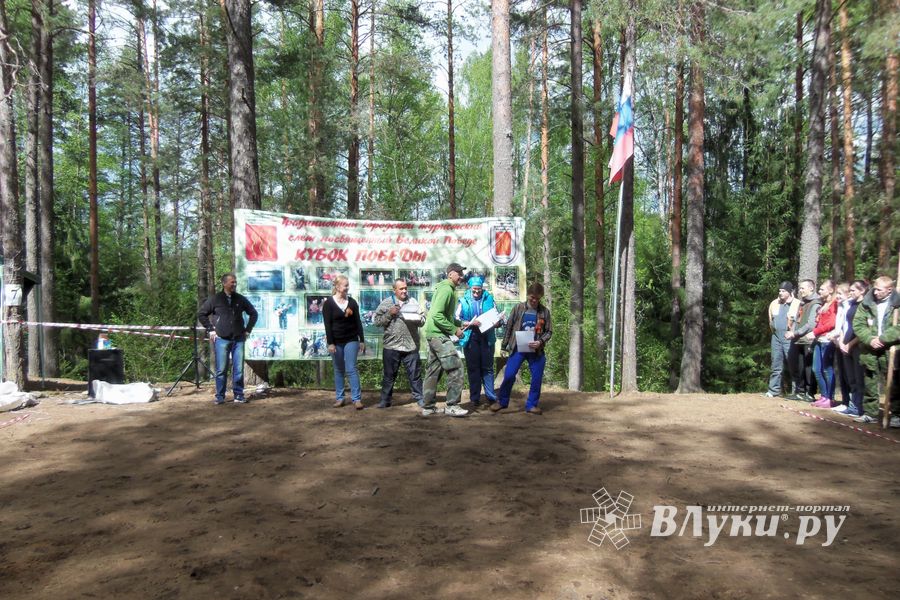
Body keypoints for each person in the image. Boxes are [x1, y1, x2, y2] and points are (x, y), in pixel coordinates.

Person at [198, 273, 258, 405]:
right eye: (232, 282)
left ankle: (239, 395)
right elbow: (201, 314)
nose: (234, 285)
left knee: (239, 369)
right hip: (222, 339)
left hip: (238, 339)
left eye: (235, 282)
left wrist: (248, 330)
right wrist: (211, 329)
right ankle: (220, 396)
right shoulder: (216, 299)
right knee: (221, 370)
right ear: (224, 283)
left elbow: (254, 313)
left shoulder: (240, 299)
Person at [493, 282, 552, 415]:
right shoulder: (518, 308)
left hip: (536, 351)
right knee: (508, 375)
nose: (534, 300)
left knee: (536, 378)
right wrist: (504, 346)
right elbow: (509, 327)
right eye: (532, 297)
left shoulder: (544, 312)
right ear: (528, 295)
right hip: (517, 348)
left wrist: (540, 341)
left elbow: (549, 331)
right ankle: (502, 402)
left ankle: (531, 405)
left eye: (537, 298)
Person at [421, 263, 469, 417]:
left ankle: (428, 407)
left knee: (433, 371)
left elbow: (444, 316)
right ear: (450, 274)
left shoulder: (445, 288)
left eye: (462, 273)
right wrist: (454, 330)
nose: (461, 276)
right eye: (459, 273)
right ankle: (452, 405)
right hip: (438, 335)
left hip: (433, 334)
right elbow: (436, 315)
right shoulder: (447, 289)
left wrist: (460, 324)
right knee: (456, 367)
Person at [852, 275, 900, 426]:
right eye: (875, 288)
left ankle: (897, 415)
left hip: (891, 348)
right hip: (870, 348)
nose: (875, 292)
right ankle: (870, 413)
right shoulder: (867, 303)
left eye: (879, 290)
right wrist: (870, 339)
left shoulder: (897, 305)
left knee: (894, 382)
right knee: (870, 381)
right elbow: (858, 324)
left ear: (889, 290)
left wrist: (884, 338)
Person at [373, 278, 425, 408]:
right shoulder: (387, 303)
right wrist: (390, 313)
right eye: (401, 288)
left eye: (406, 288)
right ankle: (385, 400)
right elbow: (377, 321)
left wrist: (418, 319)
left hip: (411, 345)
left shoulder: (413, 302)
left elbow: (423, 320)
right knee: (389, 376)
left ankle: (420, 398)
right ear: (394, 290)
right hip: (391, 346)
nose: (404, 291)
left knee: (415, 375)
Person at [455, 276, 499, 409]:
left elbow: (496, 316)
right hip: (471, 337)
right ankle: (475, 398)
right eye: (474, 290)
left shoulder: (489, 298)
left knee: (488, 368)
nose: (476, 293)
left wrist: (498, 322)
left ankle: (491, 397)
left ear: (482, 288)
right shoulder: (463, 301)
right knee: (473, 369)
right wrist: (469, 323)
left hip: (486, 337)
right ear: (470, 288)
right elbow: (456, 319)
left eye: (479, 290)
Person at [323, 275, 366, 409]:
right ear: (337, 287)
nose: (347, 288)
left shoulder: (352, 302)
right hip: (335, 341)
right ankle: (340, 398)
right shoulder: (328, 303)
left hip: (351, 339)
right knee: (339, 369)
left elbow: (358, 322)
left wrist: (362, 340)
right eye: (345, 285)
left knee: (351, 368)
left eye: (348, 285)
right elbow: (327, 325)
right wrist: (331, 343)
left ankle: (356, 399)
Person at [833, 280, 866, 417]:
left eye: (853, 290)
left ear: (862, 290)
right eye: (850, 290)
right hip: (846, 343)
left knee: (859, 378)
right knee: (850, 378)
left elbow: (864, 328)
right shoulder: (850, 304)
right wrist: (841, 341)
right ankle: (853, 406)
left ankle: (859, 407)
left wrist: (850, 343)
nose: (851, 292)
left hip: (857, 345)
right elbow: (843, 324)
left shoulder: (865, 306)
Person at [785, 279, 821, 401]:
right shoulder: (802, 303)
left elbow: (811, 324)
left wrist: (795, 333)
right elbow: (798, 320)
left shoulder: (816, 303)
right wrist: (793, 331)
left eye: (803, 288)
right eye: (799, 288)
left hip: (809, 340)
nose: (800, 291)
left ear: (811, 288)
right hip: (799, 339)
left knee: (808, 367)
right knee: (800, 366)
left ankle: (810, 393)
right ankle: (800, 391)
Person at [806, 280, 838, 408]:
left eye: (822, 289)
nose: (819, 291)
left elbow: (831, 323)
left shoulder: (835, 304)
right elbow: (820, 322)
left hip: (827, 341)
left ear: (830, 290)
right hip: (819, 340)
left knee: (827, 369)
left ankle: (830, 397)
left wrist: (815, 332)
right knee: (816, 369)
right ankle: (824, 396)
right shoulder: (824, 304)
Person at [765, 281, 799, 397]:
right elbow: (771, 320)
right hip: (776, 336)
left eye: (783, 291)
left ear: (790, 292)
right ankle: (773, 390)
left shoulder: (797, 304)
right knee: (776, 364)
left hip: (790, 337)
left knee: (793, 364)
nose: (780, 293)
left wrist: (793, 333)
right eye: (779, 290)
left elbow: (799, 321)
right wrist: (774, 331)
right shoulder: (774, 303)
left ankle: (797, 391)